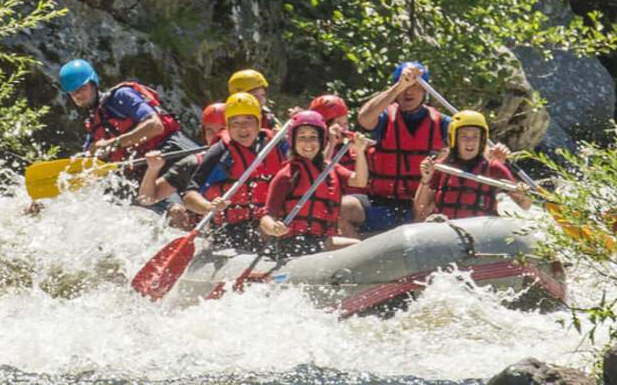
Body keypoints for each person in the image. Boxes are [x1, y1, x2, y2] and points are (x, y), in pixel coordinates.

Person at [182, 93, 288, 251]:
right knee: (263, 231)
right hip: (230, 232)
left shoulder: (277, 144)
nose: (242, 128)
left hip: (272, 223)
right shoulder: (220, 152)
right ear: (228, 126)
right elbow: (189, 196)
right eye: (235, 122)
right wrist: (208, 206)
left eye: (248, 120)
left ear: (258, 122)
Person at [353, 61, 451, 231]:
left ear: (426, 91)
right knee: (346, 208)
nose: (409, 91)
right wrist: (399, 86)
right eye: (405, 85)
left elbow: (472, 147)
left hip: (419, 204)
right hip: (380, 201)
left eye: (416, 86)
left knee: (429, 201)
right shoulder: (384, 117)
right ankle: (353, 255)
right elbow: (364, 119)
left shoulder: (442, 123)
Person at [259, 111, 370, 257]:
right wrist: (273, 228)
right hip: (294, 243)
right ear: (293, 141)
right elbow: (266, 217)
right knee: (357, 246)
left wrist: (360, 153)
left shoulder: (330, 168)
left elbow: (360, 181)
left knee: (355, 246)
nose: (308, 143)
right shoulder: (286, 175)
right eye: (302, 137)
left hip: (322, 239)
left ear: (321, 141)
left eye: (313, 137)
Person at [58, 59, 185, 183]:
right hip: (147, 166)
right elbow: (84, 160)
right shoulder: (93, 123)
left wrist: (113, 143)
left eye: (83, 88)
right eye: (73, 92)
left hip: (172, 151)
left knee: (172, 202)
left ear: (93, 84)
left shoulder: (121, 96)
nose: (78, 95)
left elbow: (155, 126)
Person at [414, 110, 531, 220]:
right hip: (446, 230)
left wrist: (523, 194)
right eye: (464, 136)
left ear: (481, 140)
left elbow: (525, 206)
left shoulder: (494, 168)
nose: (470, 142)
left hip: (479, 230)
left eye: (475, 137)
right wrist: (426, 179)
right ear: (454, 139)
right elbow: (420, 210)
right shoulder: (440, 167)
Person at [141, 102, 224, 227]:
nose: (215, 136)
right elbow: (146, 199)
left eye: (222, 129)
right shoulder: (193, 163)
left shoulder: (255, 160)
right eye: (209, 130)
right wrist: (152, 169)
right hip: (211, 237)